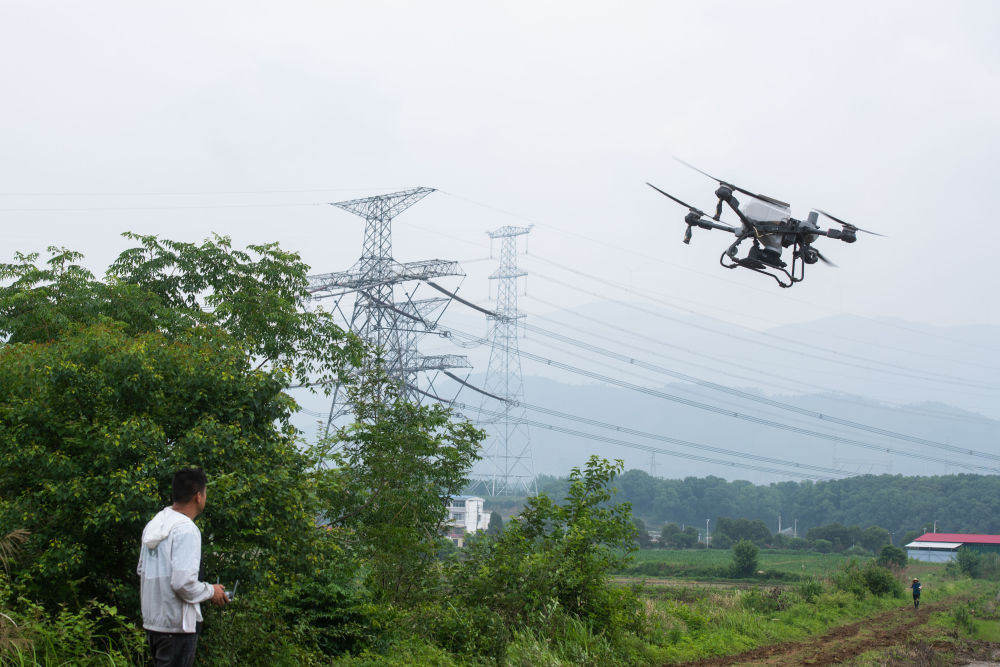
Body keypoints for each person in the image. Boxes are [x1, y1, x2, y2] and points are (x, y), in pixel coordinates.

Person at [137, 468, 228, 667]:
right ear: (198, 496)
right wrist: (211, 591)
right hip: (177, 628)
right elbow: (183, 583)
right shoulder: (186, 529)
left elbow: (142, 570)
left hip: (154, 624)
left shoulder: (155, 524)